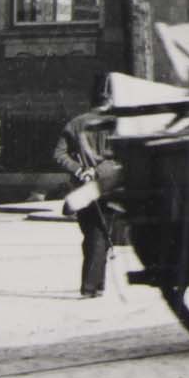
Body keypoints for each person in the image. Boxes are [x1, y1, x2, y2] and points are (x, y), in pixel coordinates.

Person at [54, 102, 112, 298]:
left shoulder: (75, 123)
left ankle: (97, 284)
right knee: (100, 234)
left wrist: (79, 170)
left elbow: (59, 154)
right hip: (106, 186)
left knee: (91, 233)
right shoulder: (115, 124)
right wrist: (96, 171)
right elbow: (119, 157)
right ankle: (90, 286)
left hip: (81, 187)